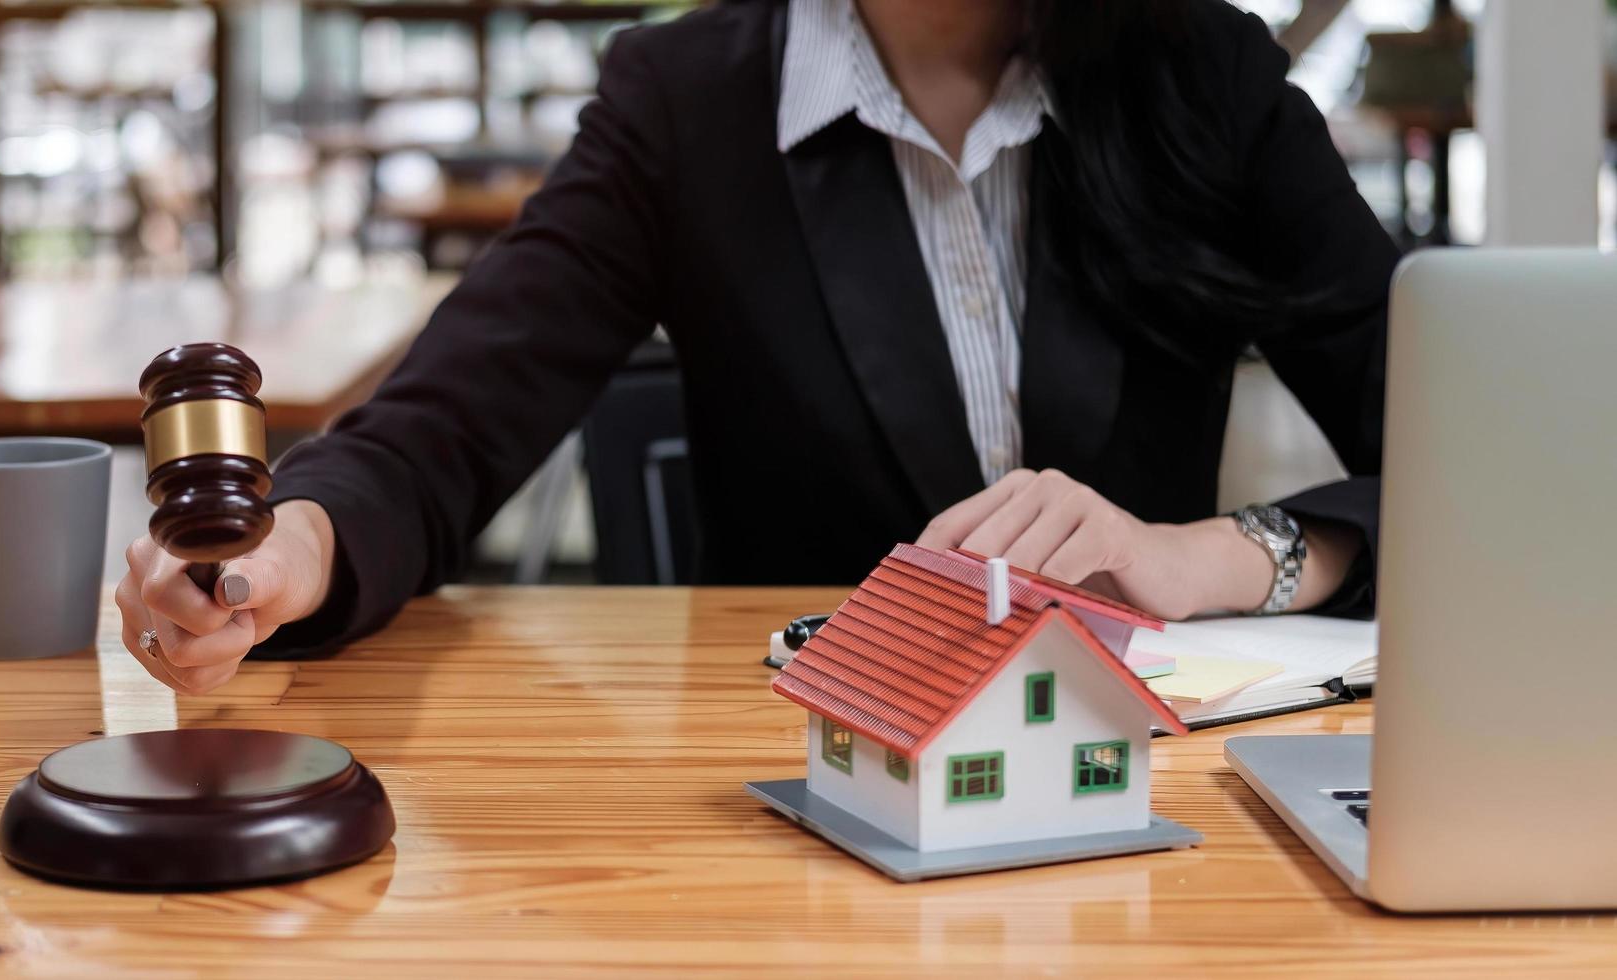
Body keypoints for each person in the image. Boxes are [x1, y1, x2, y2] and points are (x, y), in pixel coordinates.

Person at [117, 0, 1394, 693]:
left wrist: (1213, 555)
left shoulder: (1203, 73)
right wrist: (294, 545)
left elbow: (1466, 456)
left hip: (1159, 785)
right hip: (807, 795)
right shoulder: (684, 100)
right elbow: (444, 427)